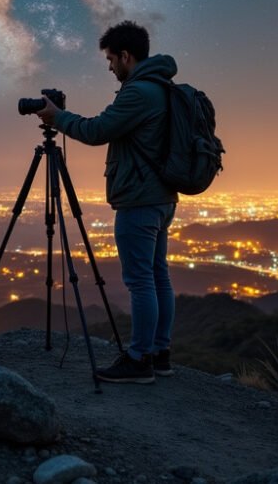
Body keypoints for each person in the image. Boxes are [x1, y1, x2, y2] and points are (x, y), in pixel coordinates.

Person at [36, 20, 178, 384]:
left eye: (112, 59)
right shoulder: (162, 87)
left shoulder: (138, 92)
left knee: (141, 280)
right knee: (157, 275)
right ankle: (159, 353)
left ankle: (139, 359)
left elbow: (98, 130)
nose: (110, 67)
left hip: (139, 199)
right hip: (161, 197)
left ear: (126, 56)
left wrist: (58, 117)